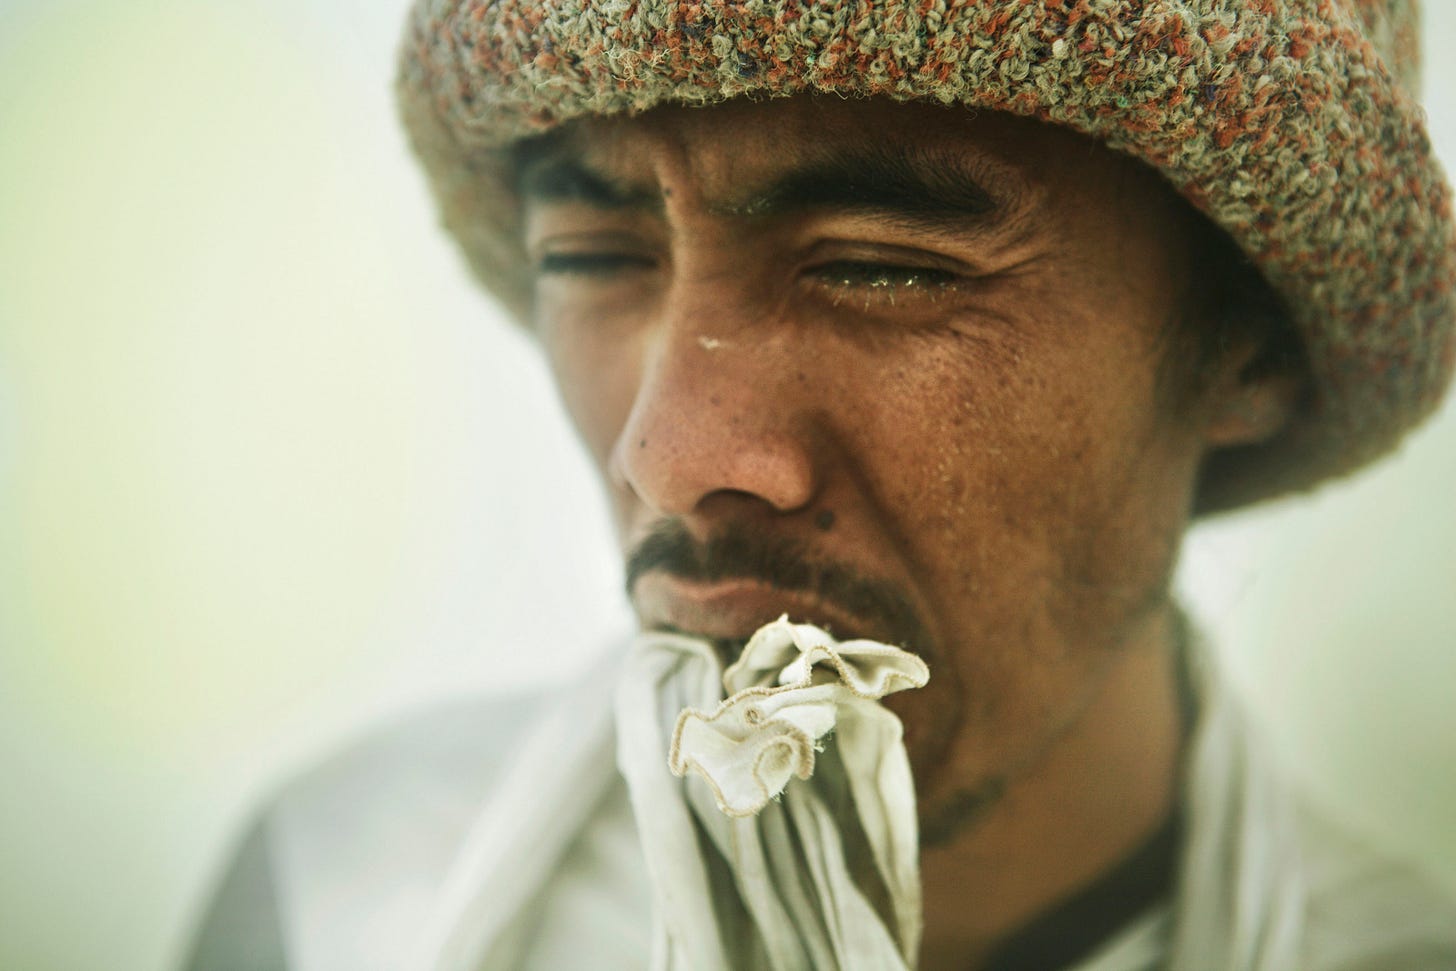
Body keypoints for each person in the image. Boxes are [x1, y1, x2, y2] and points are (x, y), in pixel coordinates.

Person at [186, 1, 1456, 969]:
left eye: (883, 267)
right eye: (594, 254)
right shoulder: (338, 896)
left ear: (1250, 348)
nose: (668, 455)